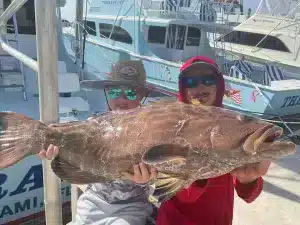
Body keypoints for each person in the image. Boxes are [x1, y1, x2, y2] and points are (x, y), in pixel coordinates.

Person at [38, 60, 157, 225]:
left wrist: (148, 180)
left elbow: (162, 173)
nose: (122, 98)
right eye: (115, 91)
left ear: (142, 96)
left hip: (133, 207)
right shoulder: (92, 123)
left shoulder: (152, 130)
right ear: (106, 92)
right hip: (93, 201)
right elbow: (69, 149)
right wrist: (54, 149)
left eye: (130, 92)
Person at [156, 56, 271, 225]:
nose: (200, 87)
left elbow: (249, 196)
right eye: (191, 82)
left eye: (208, 80)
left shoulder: (231, 125)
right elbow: (179, 194)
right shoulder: (172, 126)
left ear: (219, 85)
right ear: (182, 87)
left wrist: (248, 180)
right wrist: (199, 171)